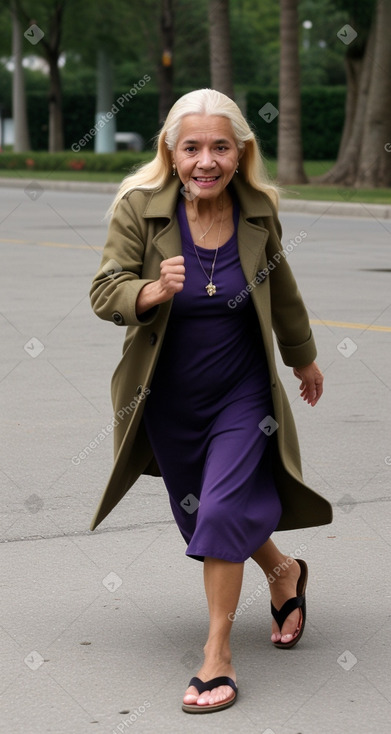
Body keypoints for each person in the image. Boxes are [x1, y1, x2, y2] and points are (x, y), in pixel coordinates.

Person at [89, 88, 332, 714]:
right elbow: (104, 289)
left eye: (219, 146)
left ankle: (217, 656)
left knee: (222, 510)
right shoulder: (139, 209)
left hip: (242, 393)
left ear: (240, 151)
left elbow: (281, 288)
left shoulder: (258, 210)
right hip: (167, 397)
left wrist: (301, 355)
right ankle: (283, 571)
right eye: (191, 147)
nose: (206, 160)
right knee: (203, 516)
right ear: (171, 153)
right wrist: (148, 291)